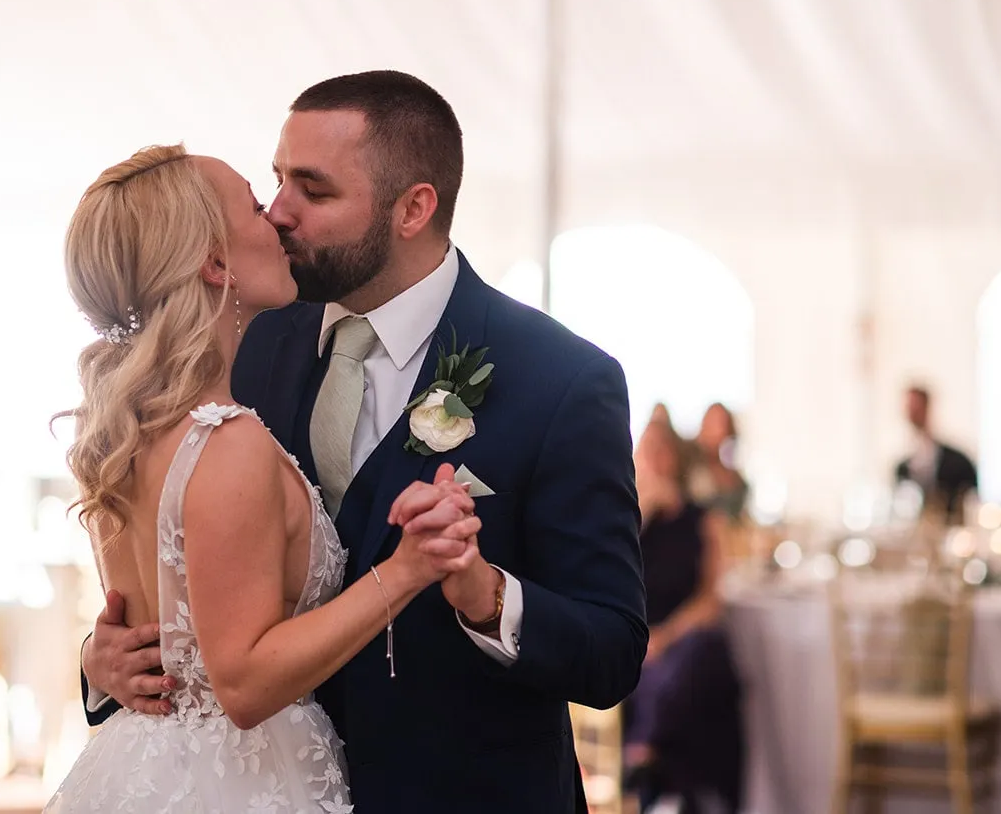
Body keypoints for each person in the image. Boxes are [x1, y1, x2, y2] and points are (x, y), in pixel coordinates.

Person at [80, 71, 647, 812]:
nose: (279, 212)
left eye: (313, 192)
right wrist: (103, 663)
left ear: (413, 208)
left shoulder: (561, 381)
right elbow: (179, 587)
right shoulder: (239, 336)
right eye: (276, 181)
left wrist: (485, 597)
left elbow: (611, 650)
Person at [46, 143, 482, 812]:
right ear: (215, 263)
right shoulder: (226, 442)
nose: (276, 219)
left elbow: (167, 630)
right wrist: (407, 569)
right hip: (240, 784)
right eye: (255, 204)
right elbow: (243, 684)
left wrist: (98, 660)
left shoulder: (120, 431)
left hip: (143, 773)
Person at [624, 413, 743, 812]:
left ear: (675, 457)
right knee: (655, 671)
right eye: (647, 450)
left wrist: (668, 635)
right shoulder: (626, 521)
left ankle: (644, 752)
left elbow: (711, 599)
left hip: (684, 636)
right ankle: (662, 781)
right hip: (639, 637)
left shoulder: (701, 520)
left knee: (698, 655)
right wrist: (640, 514)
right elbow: (614, 584)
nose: (655, 459)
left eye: (662, 450)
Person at [893, 384, 978, 519]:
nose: (913, 413)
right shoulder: (902, 468)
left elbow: (971, 502)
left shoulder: (959, 462)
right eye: (909, 408)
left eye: (916, 407)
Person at [683, 402, 749, 519]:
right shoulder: (688, 465)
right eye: (713, 423)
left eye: (722, 424)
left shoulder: (734, 475)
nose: (718, 430)